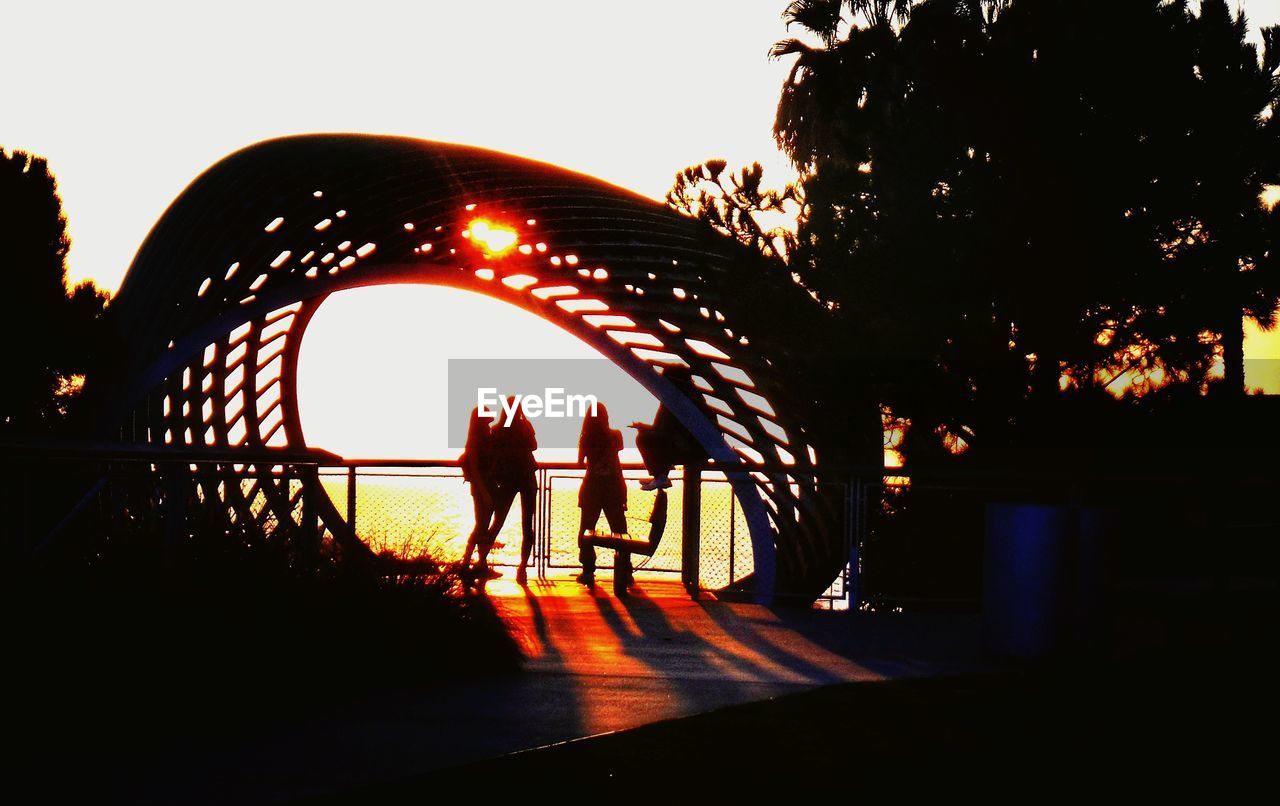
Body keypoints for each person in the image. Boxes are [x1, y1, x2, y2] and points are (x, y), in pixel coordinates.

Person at [577, 403, 630, 591]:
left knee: (587, 528)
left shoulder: (586, 438)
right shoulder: (615, 436)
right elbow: (617, 459)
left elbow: (579, 462)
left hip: (592, 487)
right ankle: (626, 570)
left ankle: (588, 570)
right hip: (613, 486)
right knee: (619, 529)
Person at [487, 396, 538, 585]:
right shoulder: (526, 427)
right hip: (526, 477)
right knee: (527, 524)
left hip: (507, 478)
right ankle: (523, 568)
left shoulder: (497, 430)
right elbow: (534, 446)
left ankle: (481, 561)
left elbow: (493, 452)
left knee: (498, 521)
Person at [632, 371, 708, 491]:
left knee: (643, 438)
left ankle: (660, 476)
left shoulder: (673, 401)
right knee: (656, 439)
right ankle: (660, 476)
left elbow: (662, 430)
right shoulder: (694, 397)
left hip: (690, 449)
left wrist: (645, 429)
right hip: (700, 447)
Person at [459, 406, 498, 577]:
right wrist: (484, 493)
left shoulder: (486, 436)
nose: (491, 416)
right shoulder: (476, 439)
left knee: (483, 525)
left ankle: (479, 563)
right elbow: (474, 468)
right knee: (481, 525)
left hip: (487, 486)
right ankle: (467, 561)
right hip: (481, 487)